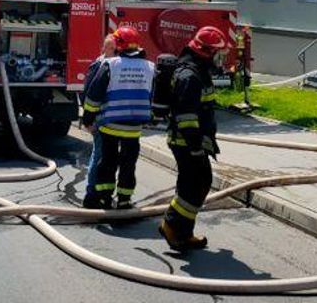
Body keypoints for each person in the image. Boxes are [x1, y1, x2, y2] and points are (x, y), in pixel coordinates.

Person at [158, 25, 229, 252]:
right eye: (217, 53)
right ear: (206, 51)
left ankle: (183, 233)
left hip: (192, 141)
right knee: (197, 185)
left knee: (193, 184)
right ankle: (171, 224)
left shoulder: (196, 71)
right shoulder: (190, 76)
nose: (219, 58)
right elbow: (186, 116)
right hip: (186, 142)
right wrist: (195, 146)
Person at [80, 26, 154, 210]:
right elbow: (153, 96)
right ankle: (124, 200)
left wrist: (88, 118)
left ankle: (105, 198)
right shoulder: (150, 67)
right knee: (129, 166)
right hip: (134, 128)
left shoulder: (111, 65)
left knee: (107, 163)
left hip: (110, 125)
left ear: (118, 44)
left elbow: (93, 96)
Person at [80, 33, 116, 208]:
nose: (117, 52)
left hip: (109, 121)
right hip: (100, 121)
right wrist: (88, 120)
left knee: (107, 157)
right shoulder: (101, 65)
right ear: (106, 48)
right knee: (99, 155)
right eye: (114, 49)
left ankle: (101, 193)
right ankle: (91, 194)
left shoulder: (111, 65)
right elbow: (87, 92)